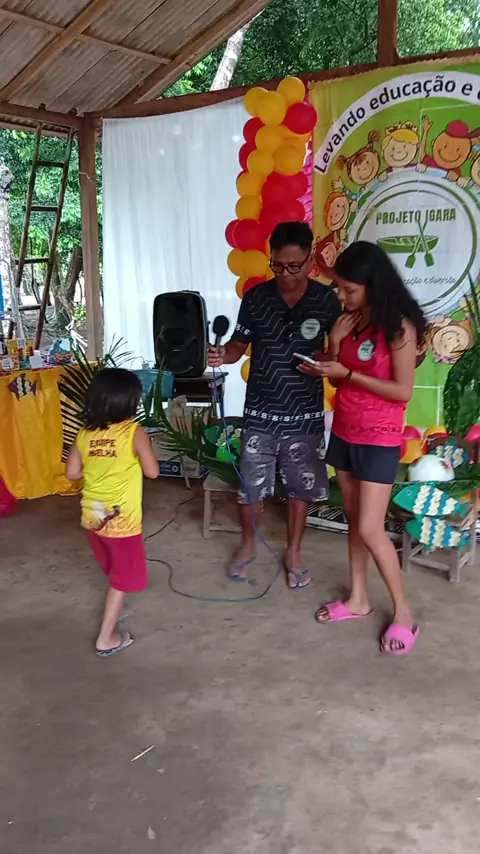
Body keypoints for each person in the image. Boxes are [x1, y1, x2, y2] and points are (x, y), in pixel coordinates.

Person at [299, 241, 426, 655]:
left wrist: (349, 372)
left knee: (371, 528)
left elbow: (402, 391)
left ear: (373, 284)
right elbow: (338, 380)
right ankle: (358, 599)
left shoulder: (400, 328)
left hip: (379, 437)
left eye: (348, 289)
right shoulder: (349, 321)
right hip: (346, 431)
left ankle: (404, 612)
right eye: (339, 287)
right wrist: (333, 350)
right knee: (356, 522)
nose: (340, 295)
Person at [209, 221, 340, 587]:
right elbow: (238, 346)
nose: (285, 274)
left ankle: (294, 551)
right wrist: (222, 355)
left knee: (301, 487)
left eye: (294, 266)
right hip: (260, 411)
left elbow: (337, 352)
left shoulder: (327, 300)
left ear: (310, 261)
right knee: (251, 486)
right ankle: (248, 545)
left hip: (305, 412)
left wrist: (325, 363)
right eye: (277, 266)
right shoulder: (256, 298)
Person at [66, 368, 159, 656]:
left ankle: (114, 606)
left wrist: (97, 466)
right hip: (123, 524)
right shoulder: (134, 433)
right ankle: (106, 639)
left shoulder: (84, 433)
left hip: (91, 519)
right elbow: (153, 472)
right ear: (129, 402)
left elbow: (72, 473)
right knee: (122, 580)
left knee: (115, 570)